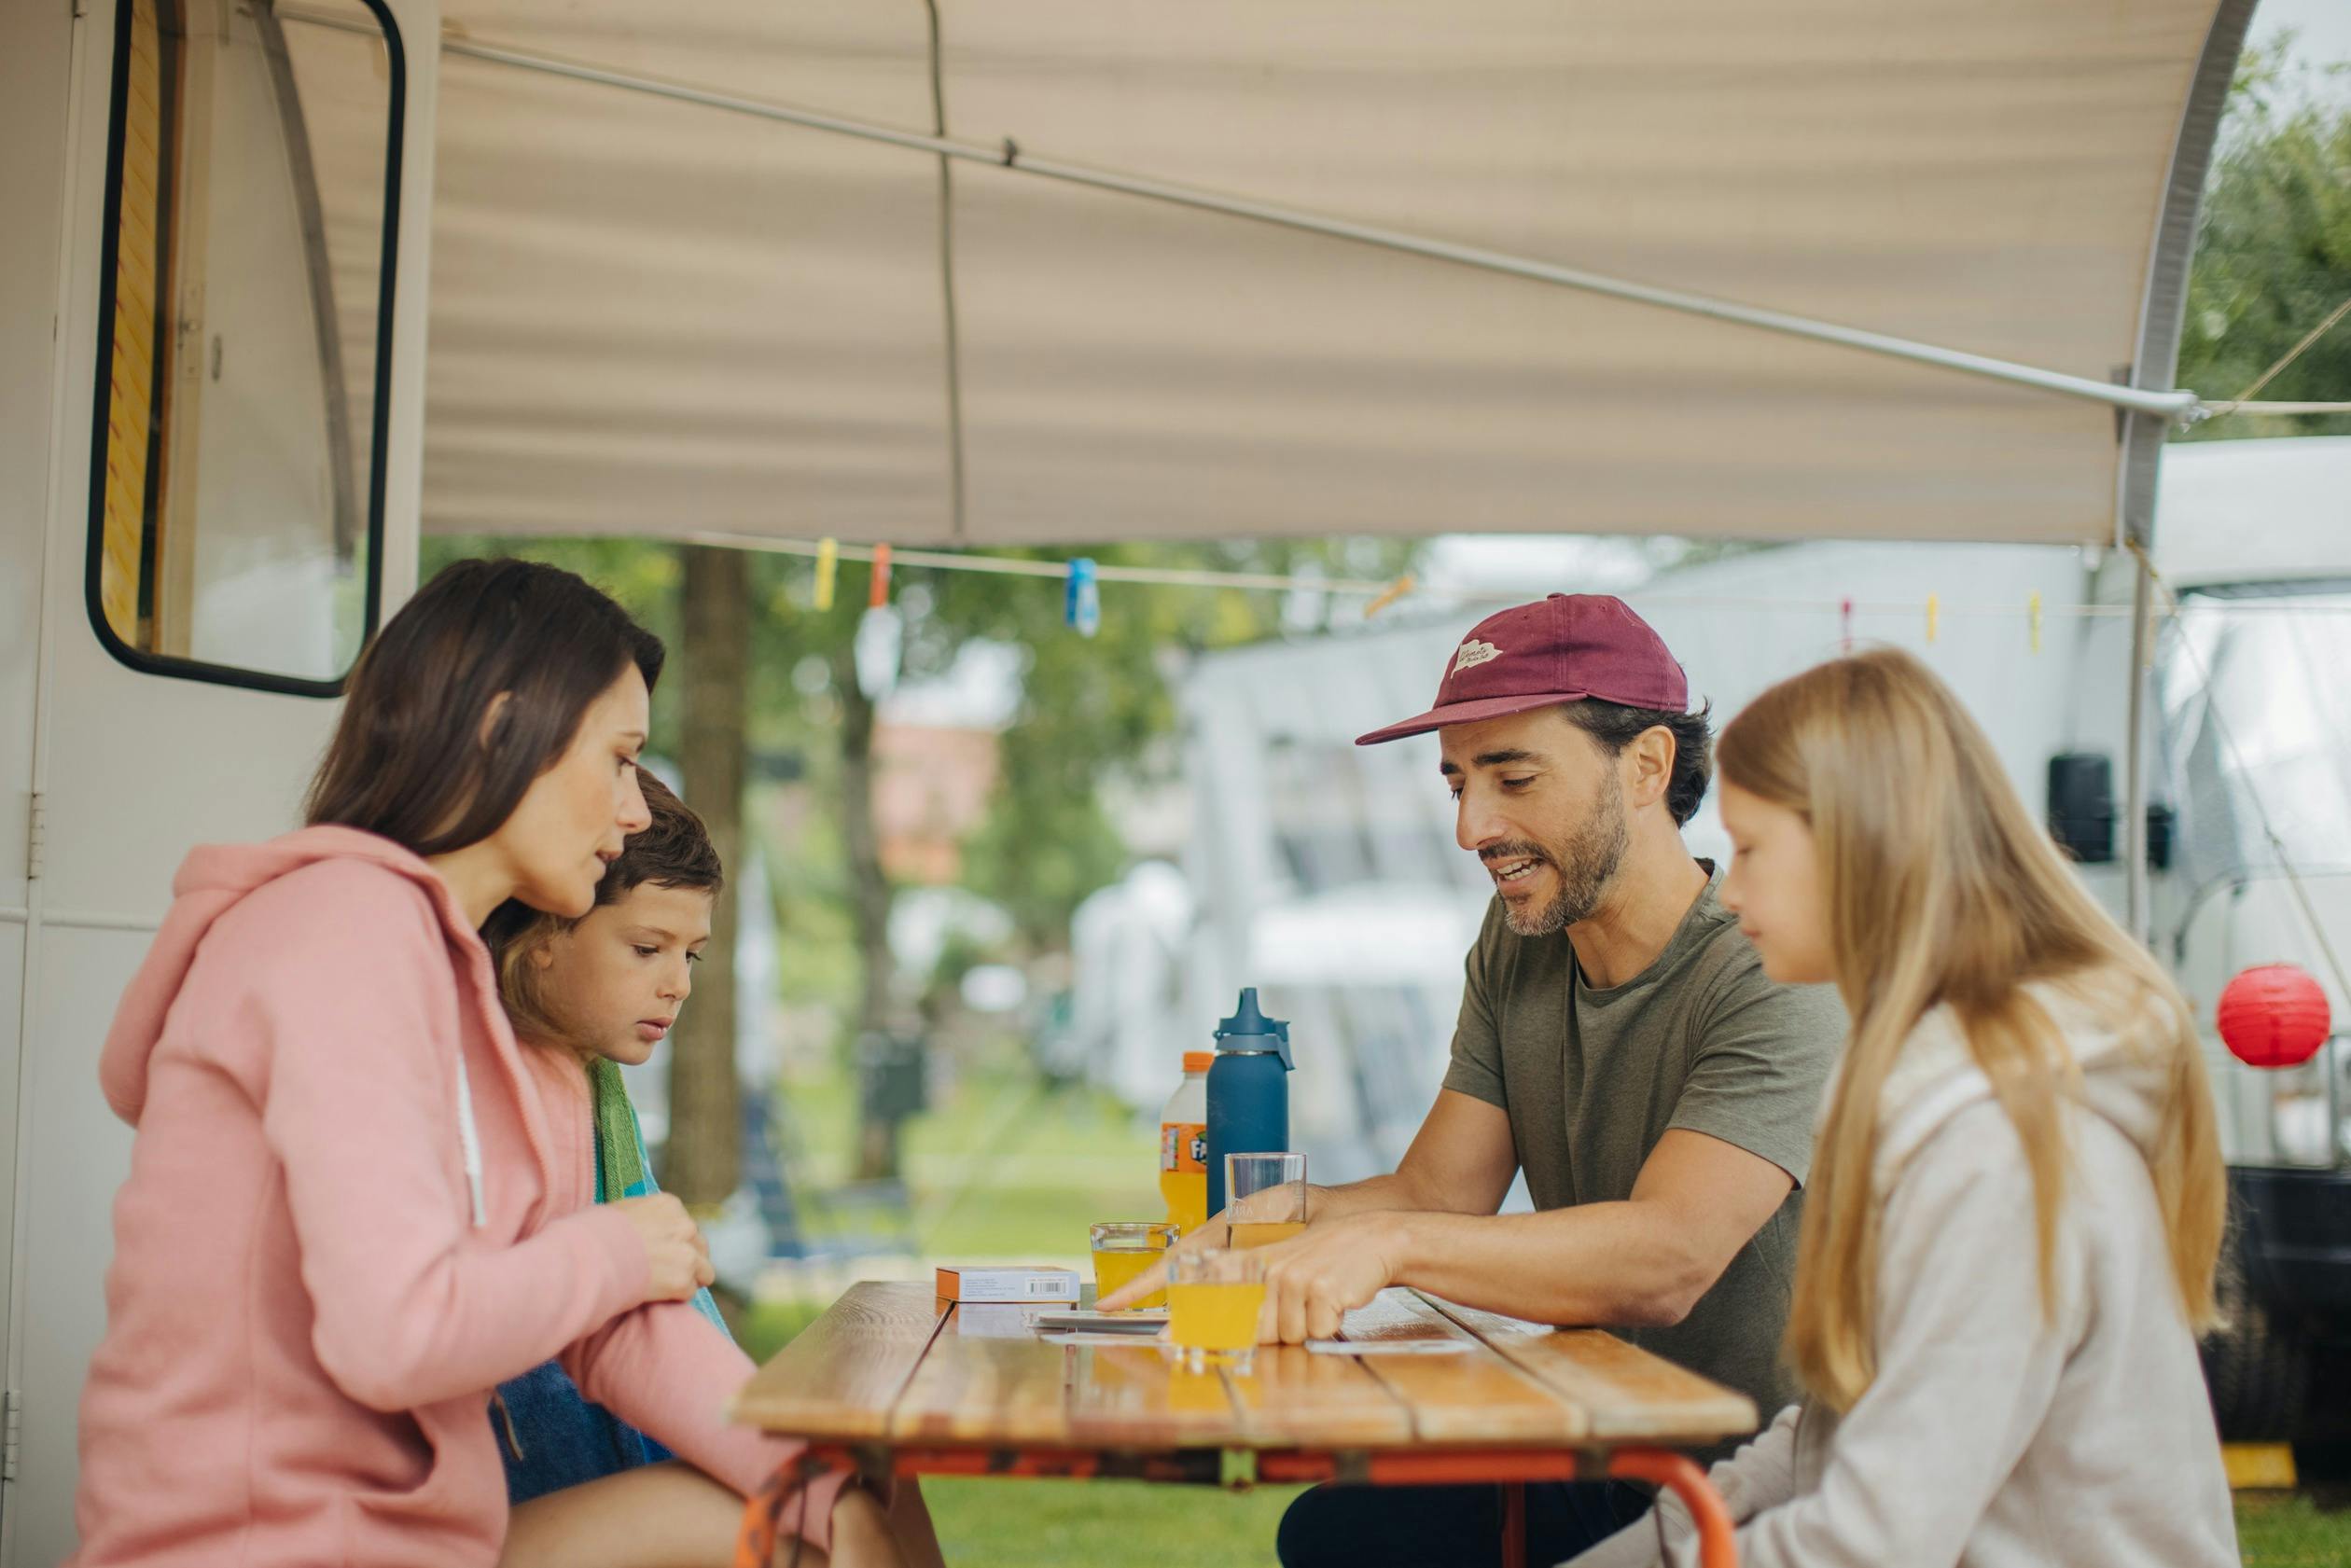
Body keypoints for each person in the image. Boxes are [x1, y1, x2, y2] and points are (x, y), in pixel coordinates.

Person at [70, 559, 905, 1567]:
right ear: (505, 729)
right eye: (619, 758)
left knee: (859, 1507)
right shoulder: (339, 931)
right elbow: (396, 1334)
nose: (636, 809)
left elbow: (613, 1329)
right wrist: (614, 1249)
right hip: (274, 1548)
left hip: (424, 1542)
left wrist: (822, 1485)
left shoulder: (469, 995)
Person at [1106, 592, 1845, 1567]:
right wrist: (1282, 1216)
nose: (1471, 827)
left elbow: (1667, 1258)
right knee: (1335, 1534)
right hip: (1589, 1440)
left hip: (1751, 1486)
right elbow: (1436, 1194)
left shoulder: (1767, 966)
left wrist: (1389, 1244)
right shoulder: (1519, 938)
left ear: (1648, 766)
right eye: (1456, 782)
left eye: (1513, 777)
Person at [1565, 647, 2234, 1568]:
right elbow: (1837, 1434)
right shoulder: (1926, 1084)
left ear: (1861, 842)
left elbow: (1874, 1539)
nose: (1736, 889)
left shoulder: (1996, 1140)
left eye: (1754, 848)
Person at [479, 768, 943, 1558]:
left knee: (877, 1477)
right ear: (545, 934)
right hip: (481, 1504)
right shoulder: (494, 1085)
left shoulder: (584, 1081)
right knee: (804, 1534)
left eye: (691, 953)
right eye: (646, 947)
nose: (678, 984)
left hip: (566, 1455)